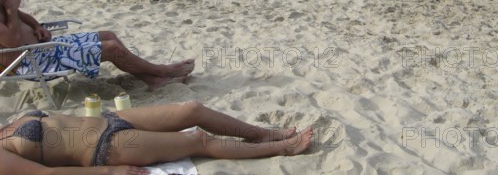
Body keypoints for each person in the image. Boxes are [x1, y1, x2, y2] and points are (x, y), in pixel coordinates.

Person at [0, 0, 194, 89]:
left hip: (43, 49)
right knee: (112, 48)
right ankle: (163, 71)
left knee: (109, 35)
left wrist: (37, 26)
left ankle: (152, 79)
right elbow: (13, 41)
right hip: (33, 62)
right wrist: (10, 8)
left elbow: (23, 16)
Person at [0, 101, 313, 173]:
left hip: (109, 119)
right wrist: (110, 171)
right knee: (198, 140)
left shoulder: (5, 125)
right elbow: (46, 174)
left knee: (191, 109)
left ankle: (261, 134)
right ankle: (283, 149)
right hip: (105, 149)